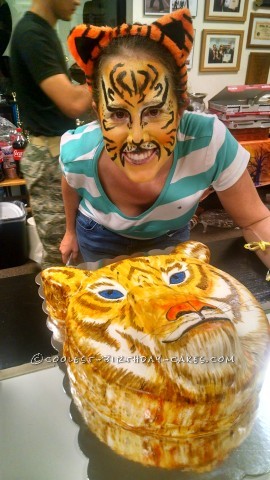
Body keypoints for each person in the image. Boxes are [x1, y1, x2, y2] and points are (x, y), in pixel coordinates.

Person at [59, 8, 270, 271]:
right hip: (98, 234)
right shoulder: (77, 150)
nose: (136, 138)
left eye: (155, 111)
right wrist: (70, 232)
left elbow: (255, 221)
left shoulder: (208, 142)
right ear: (98, 113)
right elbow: (71, 185)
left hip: (170, 235)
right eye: (118, 113)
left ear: (181, 107)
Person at [10, 0, 92, 268]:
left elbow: (72, 95)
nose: (77, 1)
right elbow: (72, 103)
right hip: (49, 159)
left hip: (61, 152)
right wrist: (106, 78)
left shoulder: (45, 31)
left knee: (77, 251)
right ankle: (57, 309)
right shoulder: (32, 34)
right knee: (62, 257)